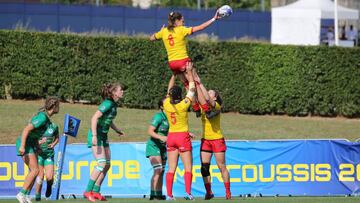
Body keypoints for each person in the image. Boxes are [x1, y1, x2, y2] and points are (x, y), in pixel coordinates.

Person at [150, 10, 221, 119]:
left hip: (172, 64)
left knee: (187, 85)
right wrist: (213, 18)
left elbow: (151, 38)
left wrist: (160, 32)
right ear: (177, 21)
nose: (184, 22)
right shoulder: (181, 30)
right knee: (196, 84)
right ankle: (207, 111)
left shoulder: (164, 32)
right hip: (183, 61)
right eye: (182, 20)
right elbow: (201, 27)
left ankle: (196, 109)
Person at [83, 82, 125, 202]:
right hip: (96, 135)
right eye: (121, 90)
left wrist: (117, 130)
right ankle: (87, 191)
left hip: (103, 136)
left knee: (107, 164)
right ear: (114, 92)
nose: (123, 92)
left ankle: (96, 191)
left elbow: (108, 120)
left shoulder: (114, 104)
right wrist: (95, 136)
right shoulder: (107, 103)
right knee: (101, 163)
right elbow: (94, 118)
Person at [15, 97, 60, 203]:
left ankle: (25, 195)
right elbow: (26, 129)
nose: (59, 108)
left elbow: (34, 135)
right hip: (26, 144)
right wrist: (22, 146)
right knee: (35, 170)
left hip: (31, 144)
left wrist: (38, 147)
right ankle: (21, 193)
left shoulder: (47, 120)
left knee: (33, 171)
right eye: (58, 105)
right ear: (53, 107)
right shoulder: (42, 118)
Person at [163, 62, 196, 200]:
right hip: (182, 136)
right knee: (188, 168)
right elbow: (193, 89)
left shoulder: (166, 104)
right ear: (180, 95)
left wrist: (173, 75)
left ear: (170, 96)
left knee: (171, 169)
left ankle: (169, 195)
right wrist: (189, 74)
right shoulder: (183, 105)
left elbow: (168, 91)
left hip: (171, 137)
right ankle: (188, 193)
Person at [197, 88, 231, 200]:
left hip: (217, 139)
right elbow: (198, 96)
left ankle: (228, 192)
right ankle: (209, 192)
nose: (208, 93)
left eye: (211, 92)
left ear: (215, 97)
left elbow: (206, 98)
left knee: (221, 166)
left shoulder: (216, 106)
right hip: (205, 140)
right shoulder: (203, 105)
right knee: (204, 168)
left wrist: (198, 81)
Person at [146, 98, 169, 200]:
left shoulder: (171, 117)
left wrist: (186, 134)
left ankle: (159, 194)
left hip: (163, 147)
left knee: (162, 171)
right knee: (158, 170)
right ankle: (153, 194)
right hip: (153, 145)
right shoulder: (159, 116)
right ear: (162, 106)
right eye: (166, 103)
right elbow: (150, 131)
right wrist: (161, 137)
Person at [34, 122, 59, 201]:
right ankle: (37, 196)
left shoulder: (54, 126)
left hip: (49, 155)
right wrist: (40, 142)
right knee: (40, 176)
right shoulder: (36, 127)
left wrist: (53, 144)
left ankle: (49, 187)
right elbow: (32, 142)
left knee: (49, 177)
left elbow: (57, 138)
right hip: (39, 155)